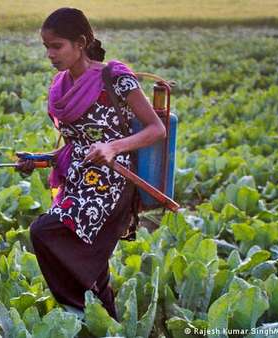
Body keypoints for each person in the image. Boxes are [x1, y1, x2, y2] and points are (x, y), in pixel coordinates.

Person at [16, 7, 166, 319]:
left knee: (44, 231)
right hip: (77, 181)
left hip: (112, 183)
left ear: (81, 43)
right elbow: (76, 144)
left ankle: (78, 310)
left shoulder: (115, 78)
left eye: (57, 46)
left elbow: (156, 129)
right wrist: (41, 160)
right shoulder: (61, 86)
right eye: (46, 47)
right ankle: (106, 322)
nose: (50, 54)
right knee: (95, 273)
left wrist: (113, 147)